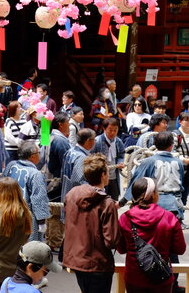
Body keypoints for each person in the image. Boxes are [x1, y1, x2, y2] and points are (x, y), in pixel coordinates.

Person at [62, 153, 121, 293]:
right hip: (98, 263)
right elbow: (111, 240)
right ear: (103, 175)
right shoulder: (106, 203)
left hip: (76, 259)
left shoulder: (72, 194)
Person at [118, 177, 186, 293]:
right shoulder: (169, 218)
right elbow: (180, 249)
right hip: (161, 279)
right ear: (154, 195)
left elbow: (121, 249)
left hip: (134, 278)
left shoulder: (125, 218)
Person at [121, 131, 184, 218]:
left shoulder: (148, 162)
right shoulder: (179, 162)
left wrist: (122, 202)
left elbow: (135, 183)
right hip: (175, 206)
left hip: (154, 206)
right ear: (171, 146)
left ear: (155, 145)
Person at [2, 141, 49, 242]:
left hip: (7, 211)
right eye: (38, 153)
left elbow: (1, 185)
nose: (39, 155)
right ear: (32, 156)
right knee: (28, 248)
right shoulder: (35, 174)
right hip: (26, 217)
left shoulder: (11, 165)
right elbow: (39, 199)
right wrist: (42, 222)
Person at [40, 112, 70, 251]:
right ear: (61, 124)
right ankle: (54, 242)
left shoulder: (50, 137)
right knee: (56, 213)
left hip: (50, 178)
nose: (69, 126)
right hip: (57, 180)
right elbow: (67, 163)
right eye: (68, 123)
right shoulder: (60, 140)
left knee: (53, 212)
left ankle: (52, 240)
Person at [60, 128, 96, 220]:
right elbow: (78, 181)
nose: (95, 142)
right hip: (76, 201)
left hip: (66, 194)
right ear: (88, 141)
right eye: (94, 139)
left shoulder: (70, 151)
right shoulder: (81, 157)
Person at [91, 118, 125, 200]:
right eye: (110, 130)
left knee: (114, 198)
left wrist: (120, 162)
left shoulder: (118, 141)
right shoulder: (97, 141)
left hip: (113, 175)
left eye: (115, 130)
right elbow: (91, 156)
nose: (113, 133)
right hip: (101, 175)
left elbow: (121, 154)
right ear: (104, 129)